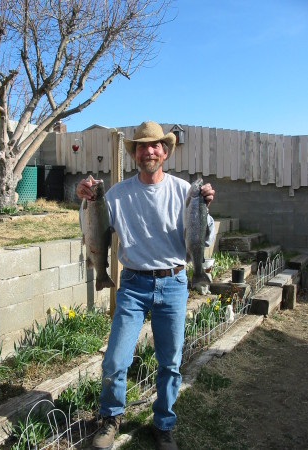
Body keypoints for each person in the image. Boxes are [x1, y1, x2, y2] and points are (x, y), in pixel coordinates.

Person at [76, 121, 215, 450]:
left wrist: (206, 205)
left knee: (170, 361)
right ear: (135, 154)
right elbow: (94, 227)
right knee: (114, 359)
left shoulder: (184, 191)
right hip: (133, 285)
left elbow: (203, 234)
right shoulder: (117, 194)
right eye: (141, 146)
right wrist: (83, 198)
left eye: (155, 145)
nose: (148, 151)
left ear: (165, 152)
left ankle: (163, 424)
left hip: (174, 282)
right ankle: (110, 418)